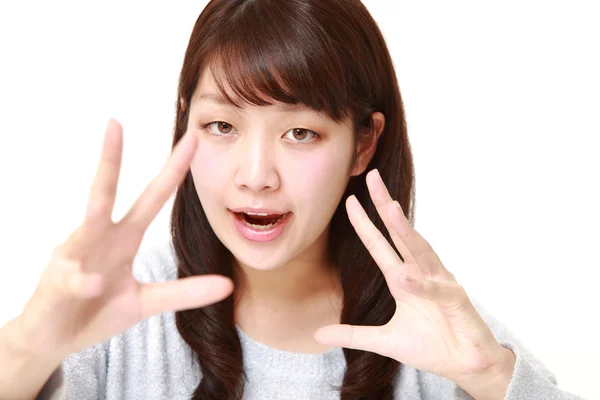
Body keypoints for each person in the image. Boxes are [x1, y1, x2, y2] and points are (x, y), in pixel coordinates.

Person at [0, 0, 588, 399]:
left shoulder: (430, 326)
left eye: (299, 133)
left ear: (364, 144)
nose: (256, 177)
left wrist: (490, 376)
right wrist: (28, 344)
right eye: (222, 126)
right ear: (185, 126)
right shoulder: (120, 313)